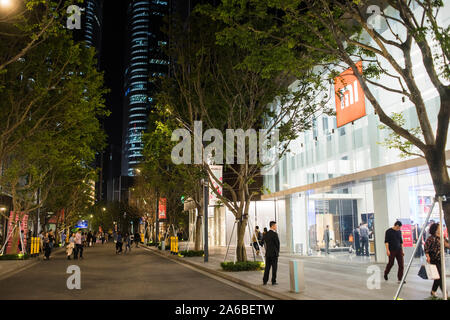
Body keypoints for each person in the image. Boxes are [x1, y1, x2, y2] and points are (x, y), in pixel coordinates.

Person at [424, 222, 450, 297]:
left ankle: (433, 291)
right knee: (440, 277)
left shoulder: (441, 237)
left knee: (438, 277)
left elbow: (447, 245)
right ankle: (445, 293)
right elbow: (426, 248)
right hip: (433, 259)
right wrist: (427, 256)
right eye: (439, 228)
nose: (440, 228)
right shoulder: (431, 238)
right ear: (435, 229)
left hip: (440, 259)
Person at [262, 221, 280, 286]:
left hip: (268, 253)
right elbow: (277, 244)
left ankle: (265, 281)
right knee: (274, 268)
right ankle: (273, 281)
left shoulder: (266, 234)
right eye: (275, 225)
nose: (276, 227)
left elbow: (264, 243)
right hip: (274, 254)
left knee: (267, 268)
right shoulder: (275, 234)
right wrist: (277, 252)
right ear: (272, 226)